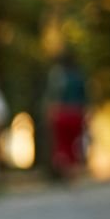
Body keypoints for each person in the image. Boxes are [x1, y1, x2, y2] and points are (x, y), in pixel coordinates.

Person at [46, 52, 88, 181]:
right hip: (76, 113)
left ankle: (67, 174)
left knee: (63, 145)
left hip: (63, 114)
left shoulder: (58, 76)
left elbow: (54, 96)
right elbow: (84, 97)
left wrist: (52, 111)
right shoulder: (79, 77)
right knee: (74, 145)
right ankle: (74, 175)